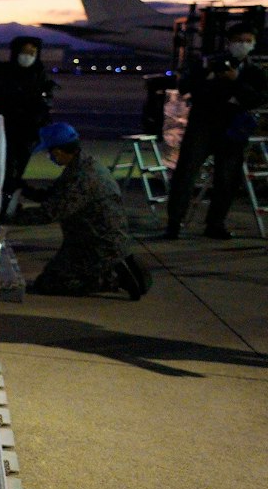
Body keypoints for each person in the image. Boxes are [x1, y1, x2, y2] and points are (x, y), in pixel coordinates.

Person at [22, 123, 150, 299]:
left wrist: (5, 217)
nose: (49, 156)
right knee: (52, 276)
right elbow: (55, 195)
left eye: (49, 152)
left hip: (96, 245)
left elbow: (49, 213)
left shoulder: (81, 178)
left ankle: (113, 277)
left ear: (58, 151)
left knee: (50, 283)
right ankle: (114, 267)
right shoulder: (84, 164)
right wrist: (26, 191)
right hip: (94, 239)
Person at [165, 23, 265, 240]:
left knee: (227, 179)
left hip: (231, 129)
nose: (243, 45)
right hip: (203, 125)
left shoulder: (253, 72)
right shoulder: (208, 63)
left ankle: (215, 223)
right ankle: (174, 222)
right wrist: (208, 77)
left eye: (248, 41)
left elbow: (257, 99)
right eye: (239, 40)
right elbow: (185, 87)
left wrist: (235, 82)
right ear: (229, 42)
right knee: (185, 174)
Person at [0, 35, 56, 206]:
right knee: (4, 166)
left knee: (19, 167)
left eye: (32, 52)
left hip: (28, 130)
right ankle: (2, 200)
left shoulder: (39, 73)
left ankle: (9, 199)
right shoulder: (1, 71)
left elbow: (45, 100)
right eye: (24, 52)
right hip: (6, 127)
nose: (28, 56)